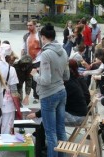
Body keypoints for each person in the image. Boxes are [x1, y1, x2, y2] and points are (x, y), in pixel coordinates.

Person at [29, 23, 69, 157]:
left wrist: (35, 75)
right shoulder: (63, 50)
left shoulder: (46, 54)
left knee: (50, 133)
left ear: (43, 37)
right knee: (61, 130)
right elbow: (66, 75)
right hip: (61, 92)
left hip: (49, 95)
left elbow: (45, 81)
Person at [0, 43, 19, 135]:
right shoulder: (11, 69)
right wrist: (18, 106)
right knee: (6, 131)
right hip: (8, 103)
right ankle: (4, 149)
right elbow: (14, 90)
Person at [21, 19, 42, 105]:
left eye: (30, 25)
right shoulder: (26, 36)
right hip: (29, 61)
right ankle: (31, 94)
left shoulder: (40, 36)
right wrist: (22, 59)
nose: (28, 27)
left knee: (36, 79)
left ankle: (37, 96)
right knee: (29, 79)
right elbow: (23, 48)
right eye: (28, 25)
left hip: (38, 60)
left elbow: (44, 47)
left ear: (35, 25)